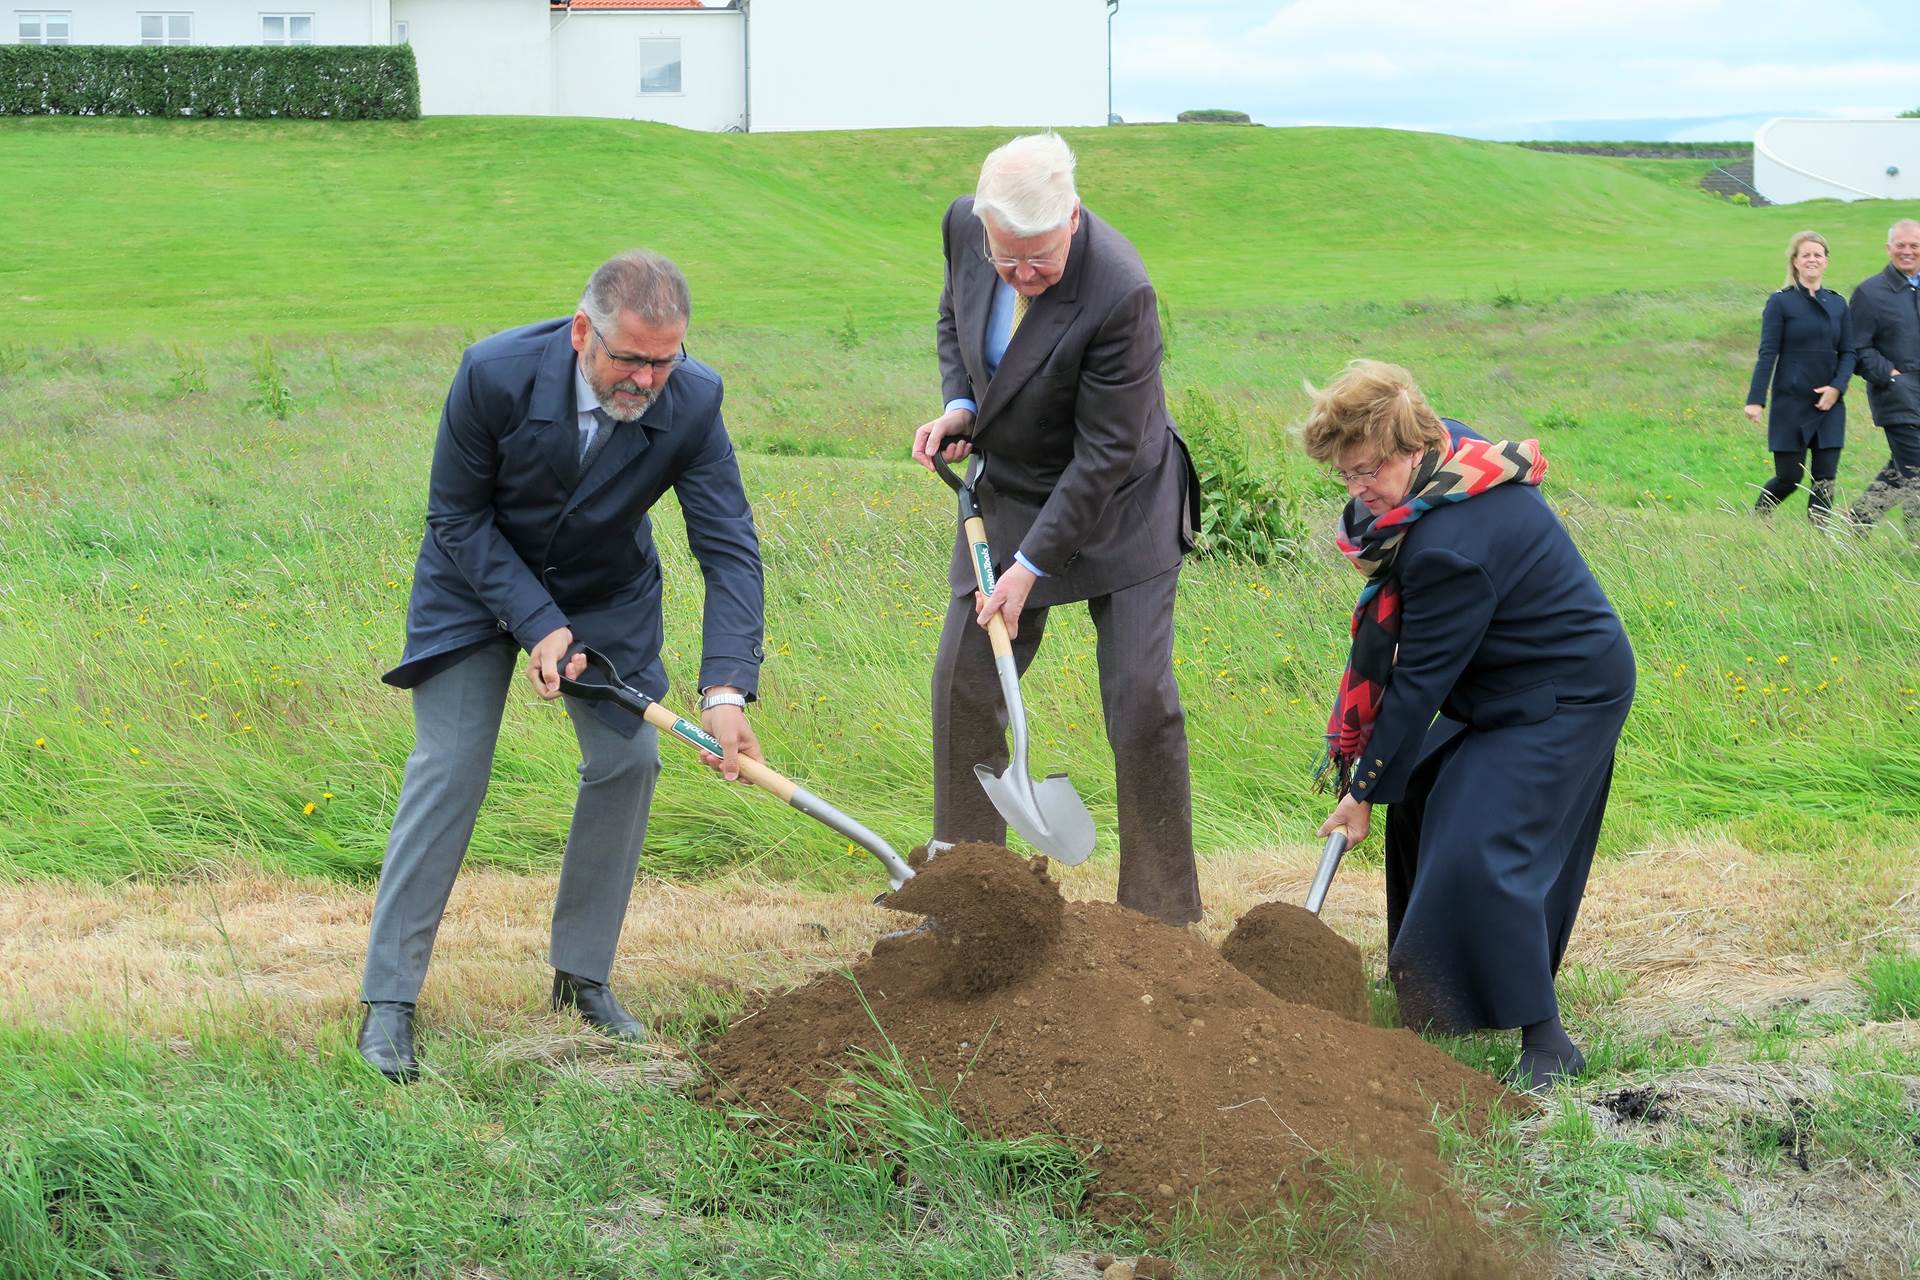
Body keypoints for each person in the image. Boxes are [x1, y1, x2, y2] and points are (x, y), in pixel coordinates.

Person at [356, 250, 766, 1083]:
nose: (648, 380)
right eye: (631, 358)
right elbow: (457, 517)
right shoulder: (494, 373)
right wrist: (536, 623)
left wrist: (724, 689)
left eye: (665, 360)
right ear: (584, 331)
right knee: (452, 763)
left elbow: (729, 550)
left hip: (606, 594)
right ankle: (390, 1000)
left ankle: (581, 978)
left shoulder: (693, 400)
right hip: (475, 584)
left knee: (629, 759)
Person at [1305, 361, 1634, 1092]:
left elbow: (1419, 684)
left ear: (1411, 451)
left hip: (1565, 690)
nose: (1357, 488)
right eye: (1345, 474)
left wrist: (1359, 790)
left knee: (1486, 844)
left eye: (1367, 471)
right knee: (1420, 796)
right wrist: (1381, 785)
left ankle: (1546, 1039)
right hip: (1501, 682)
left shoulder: (1449, 543)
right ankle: (1434, 994)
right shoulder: (1446, 460)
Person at [911, 133, 1203, 925]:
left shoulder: (1119, 289)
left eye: (1040, 259)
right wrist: (963, 405)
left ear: (1072, 218)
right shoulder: (966, 232)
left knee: (1140, 695)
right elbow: (954, 318)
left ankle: (1160, 912)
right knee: (964, 678)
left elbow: (1106, 451)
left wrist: (1032, 565)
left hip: (1120, 504)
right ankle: (968, 893)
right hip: (1011, 487)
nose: (1023, 275)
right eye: (1008, 260)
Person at [1743, 230, 1853, 521]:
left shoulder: (1839, 304)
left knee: (1825, 480)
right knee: (1789, 477)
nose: (1812, 259)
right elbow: (1768, 353)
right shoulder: (1780, 302)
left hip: (1830, 405)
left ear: (1826, 261)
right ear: (1795, 261)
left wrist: (1837, 388)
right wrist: (1756, 400)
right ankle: (1757, 519)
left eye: (1818, 254)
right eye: (1806, 254)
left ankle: (1818, 542)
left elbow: (1849, 352)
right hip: (1790, 404)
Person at [1847, 219, 1920, 530]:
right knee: (1916, 472)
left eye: (1914, 245)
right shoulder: (1870, 292)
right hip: (1897, 396)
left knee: (1899, 469)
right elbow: (1855, 348)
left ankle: (1858, 523)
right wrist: (1891, 377)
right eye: (1900, 245)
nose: (1907, 251)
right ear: (1889, 248)